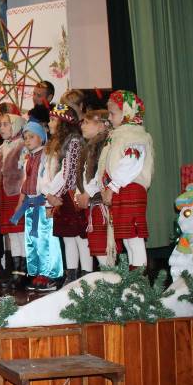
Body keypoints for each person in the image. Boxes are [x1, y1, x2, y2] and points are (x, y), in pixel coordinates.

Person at [99, 90, 154, 269]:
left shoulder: (134, 136)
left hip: (130, 189)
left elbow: (130, 163)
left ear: (128, 113)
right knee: (127, 237)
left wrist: (113, 186)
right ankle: (132, 275)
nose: (109, 118)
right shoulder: (118, 135)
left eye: (112, 113)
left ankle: (139, 277)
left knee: (134, 237)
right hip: (121, 189)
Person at [10, 121, 64, 291]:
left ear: (41, 138)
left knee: (46, 241)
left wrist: (50, 203)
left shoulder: (48, 156)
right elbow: (26, 182)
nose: (27, 140)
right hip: (31, 205)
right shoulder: (29, 159)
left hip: (44, 204)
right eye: (25, 137)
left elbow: (50, 180)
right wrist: (20, 202)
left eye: (31, 137)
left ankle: (51, 275)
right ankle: (38, 273)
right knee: (33, 241)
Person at [43, 103, 91, 284]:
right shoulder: (59, 143)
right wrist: (50, 195)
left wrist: (52, 194)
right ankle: (71, 278)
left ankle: (86, 278)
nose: (50, 123)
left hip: (72, 195)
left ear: (63, 122)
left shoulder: (74, 142)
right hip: (62, 195)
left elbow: (69, 173)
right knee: (68, 238)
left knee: (81, 238)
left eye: (53, 119)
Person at [75, 109, 119, 267]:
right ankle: (107, 277)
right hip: (92, 202)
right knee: (98, 246)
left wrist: (88, 192)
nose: (82, 126)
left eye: (87, 122)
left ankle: (110, 278)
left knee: (104, 247)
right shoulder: (89, 146)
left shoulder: (105, 145)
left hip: (101, 203)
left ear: (101, 125)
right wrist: (80, 193)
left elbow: (102, 172)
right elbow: (84, 173)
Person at [0, 113, 27, 286]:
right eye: (1, 124)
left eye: (6, 124)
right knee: (12, 234)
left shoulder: (22, 146)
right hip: (6, 195)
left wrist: (22, 200)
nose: (2, 128)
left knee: (21, 233)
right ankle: (16, 272)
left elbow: (25, 175)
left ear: (16, 125)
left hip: (18, 195)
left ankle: (25, 272)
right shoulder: (2, 149)